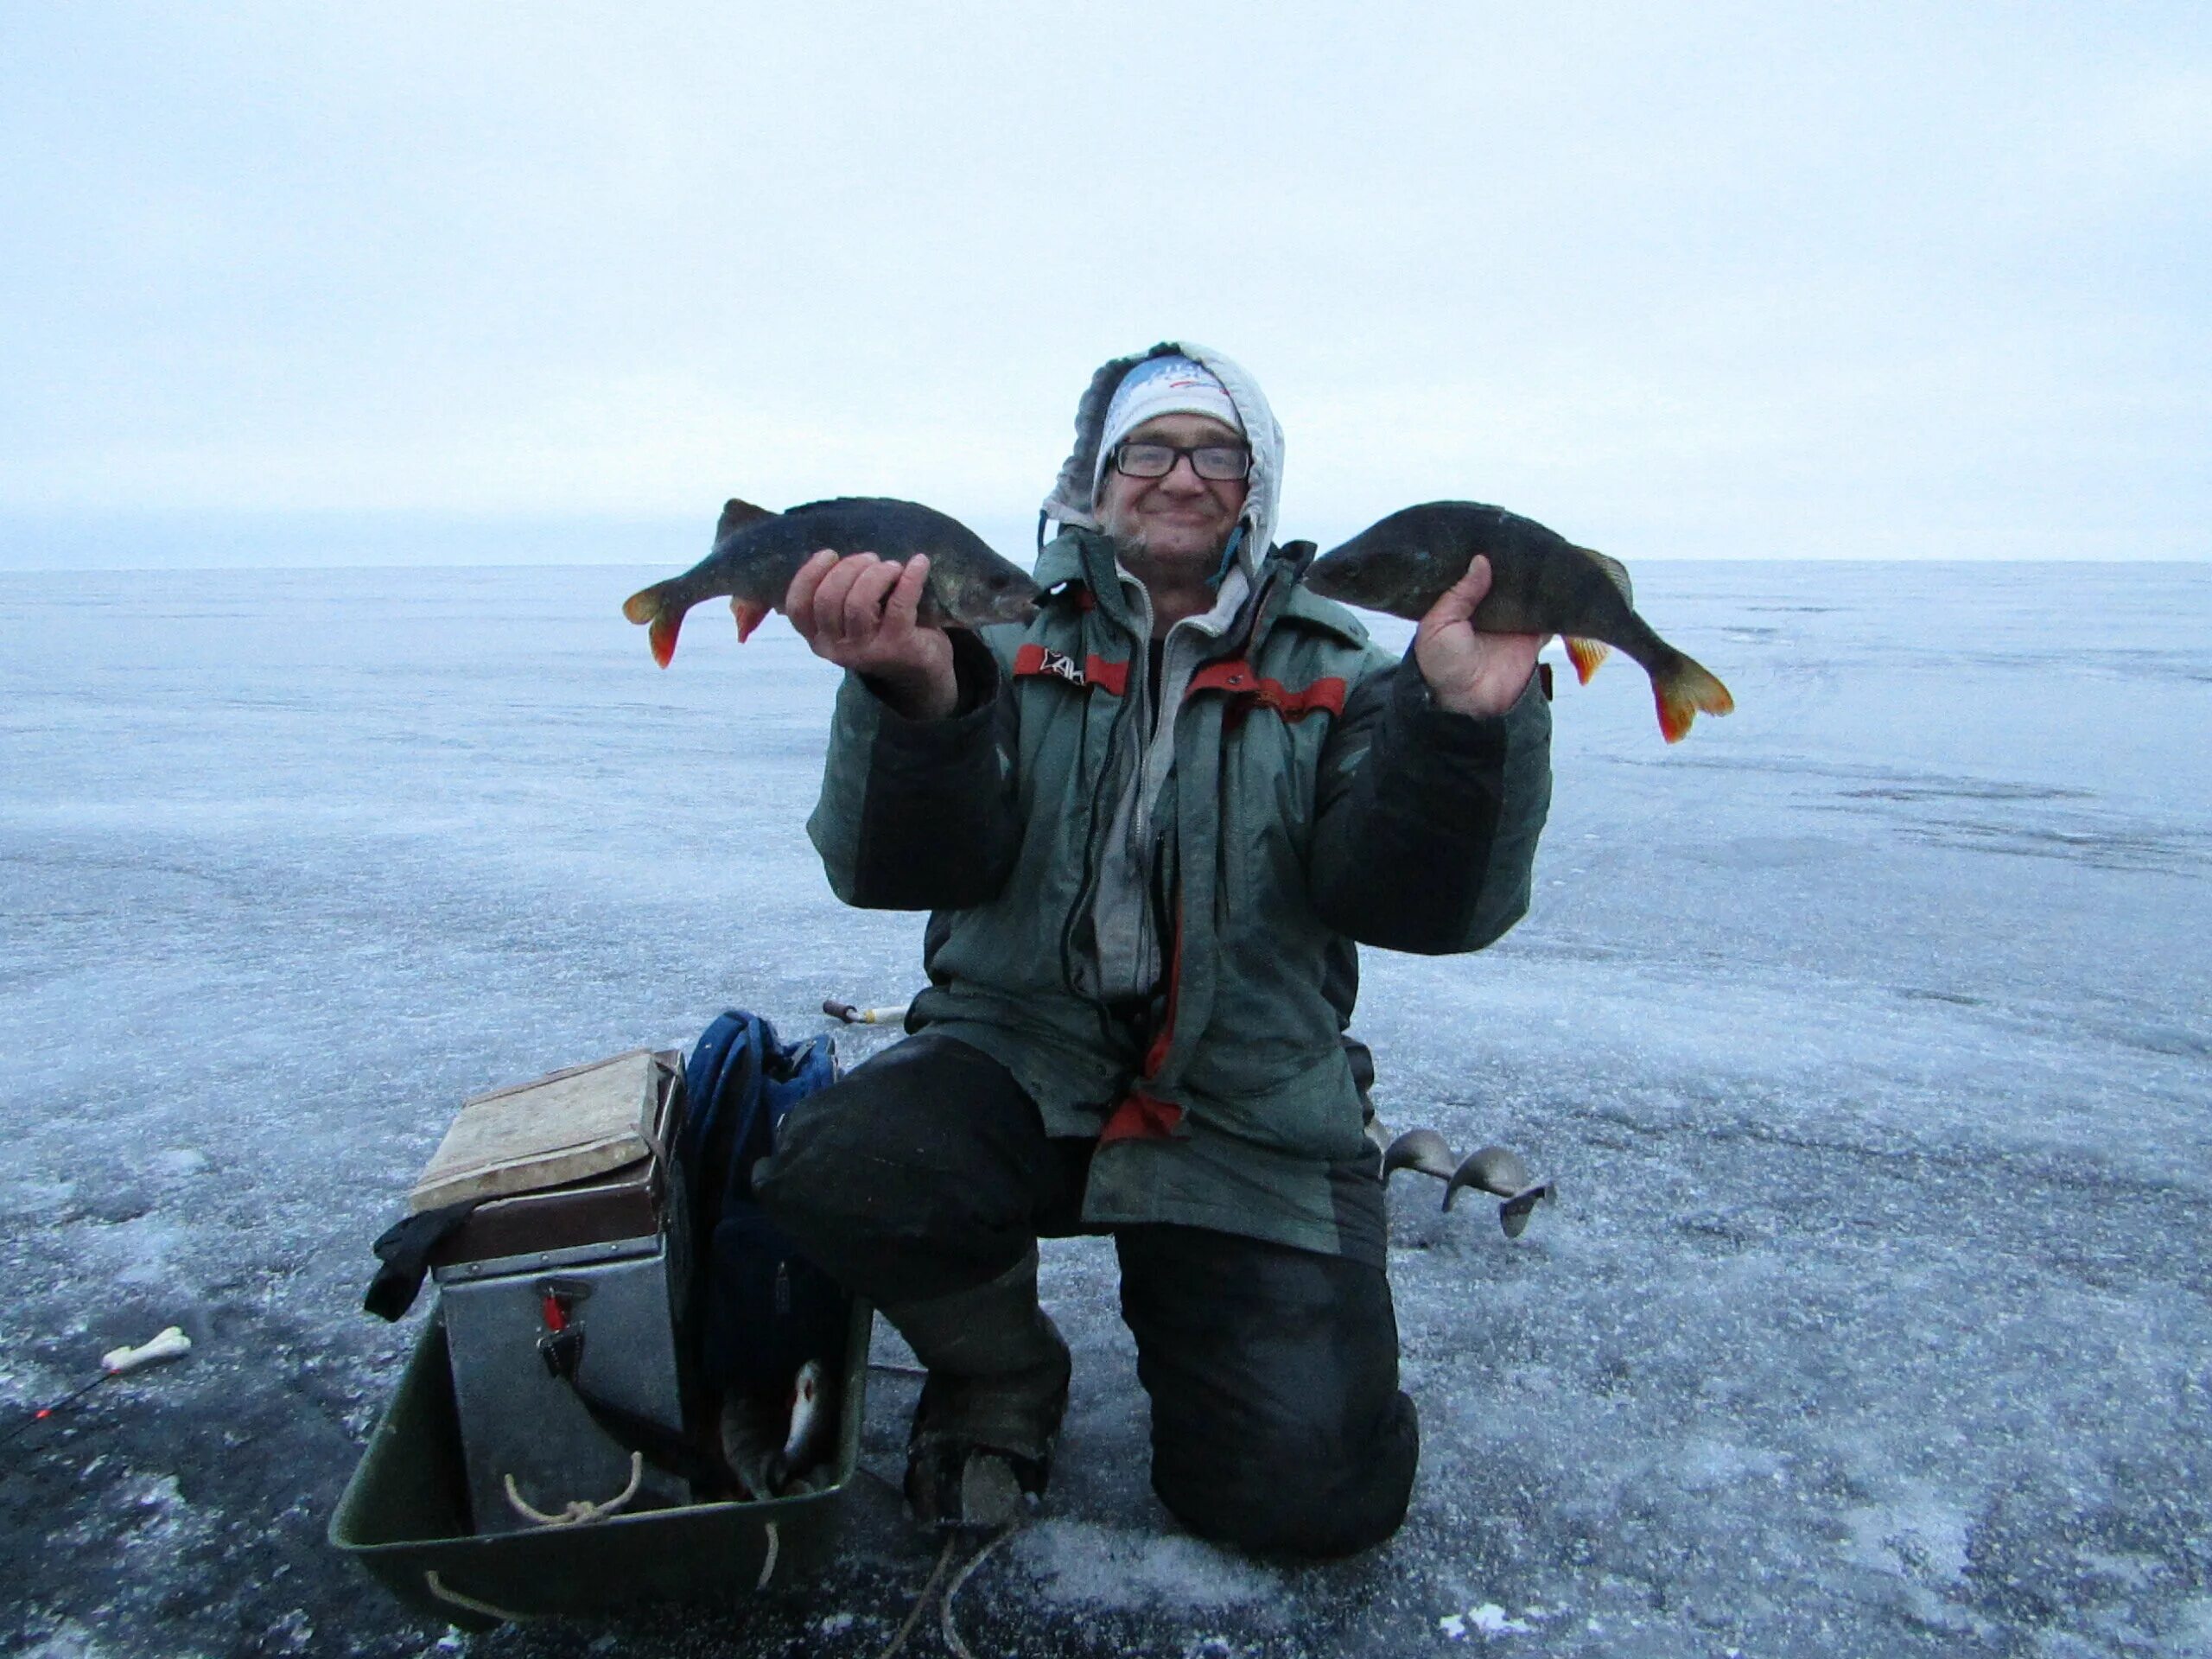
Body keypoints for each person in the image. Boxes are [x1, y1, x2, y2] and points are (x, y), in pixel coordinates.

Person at [753, 343, 1552, 1555]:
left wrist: (1465, 730)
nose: (1182, 477)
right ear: (1097, 478)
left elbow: (1425, 911)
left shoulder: (1353, 677)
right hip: (1018, 1056)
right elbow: (895, 875)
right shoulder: (992, 637)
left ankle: (1228, 1306)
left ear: (1258, 484)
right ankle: (1003, 1372)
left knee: (1308, 1500)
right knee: (845, 1162)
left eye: (1218, 452)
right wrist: (917, 701)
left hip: (1247, 1103)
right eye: (1149, 450)